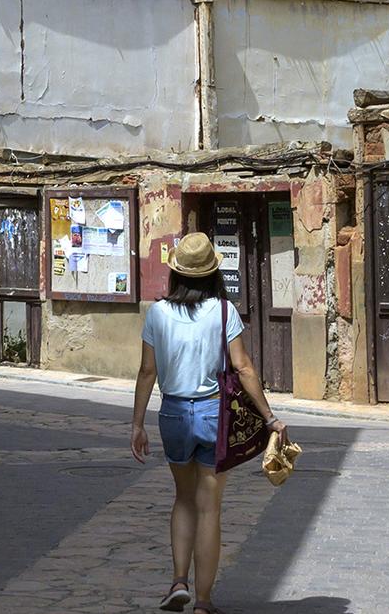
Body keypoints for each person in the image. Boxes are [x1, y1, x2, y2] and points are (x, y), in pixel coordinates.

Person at [130, 232, 286, 614]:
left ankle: (177, 582)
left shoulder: (158, 313)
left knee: (182, 499)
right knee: (209, 508)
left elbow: (147, 371)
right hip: (214, 414)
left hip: (173, 414)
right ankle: (202, 601)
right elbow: (243, 367)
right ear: (211, 273)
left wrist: (137, 424)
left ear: (177, 274)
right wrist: (270, 417)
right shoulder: (222, 311)